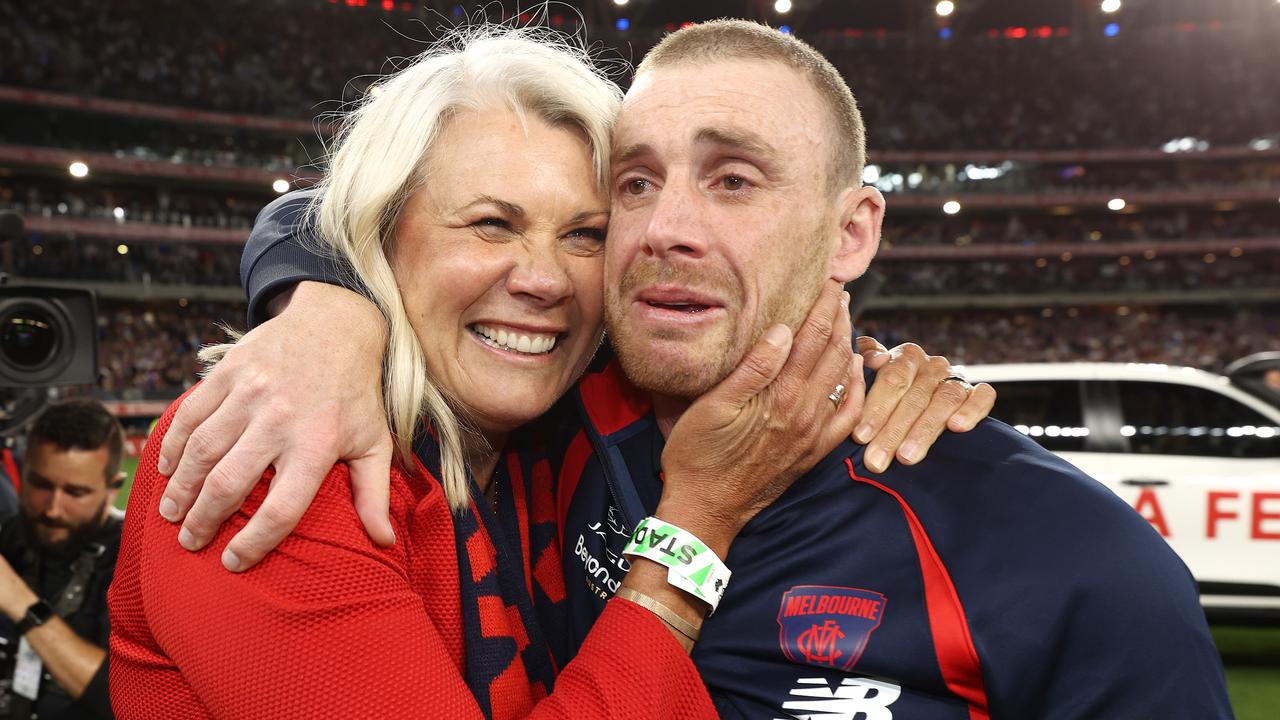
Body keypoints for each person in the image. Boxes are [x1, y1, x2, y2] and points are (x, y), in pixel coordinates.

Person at [166, 19, 1235, 719]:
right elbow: (339, 216)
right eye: (632, 186)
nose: (663, 228)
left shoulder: (1072, 564)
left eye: (732, 179)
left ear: (851, 233)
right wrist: (320, 302)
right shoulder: (326, 450)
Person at [0, 398, 122, 720]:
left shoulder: (133, 560)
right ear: (23, 470)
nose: (53, 509)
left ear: (112, 489)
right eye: (40, 485)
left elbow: (123, 699)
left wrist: (22, 604)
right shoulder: (13, 533)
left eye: (76, 493)